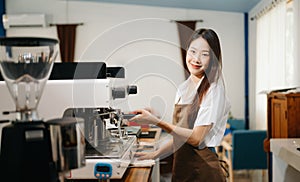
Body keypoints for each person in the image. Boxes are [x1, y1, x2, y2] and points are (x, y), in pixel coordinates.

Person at [130, 28, 231, 182]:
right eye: (193, 51)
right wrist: (155, 154)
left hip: (203, 171)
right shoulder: (183, 88)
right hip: (183, 169)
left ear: (213, 59)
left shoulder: (214, 91)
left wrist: (156, 121)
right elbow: (180, 137)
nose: (196, 59)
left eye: (205, 54)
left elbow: (196, 138)